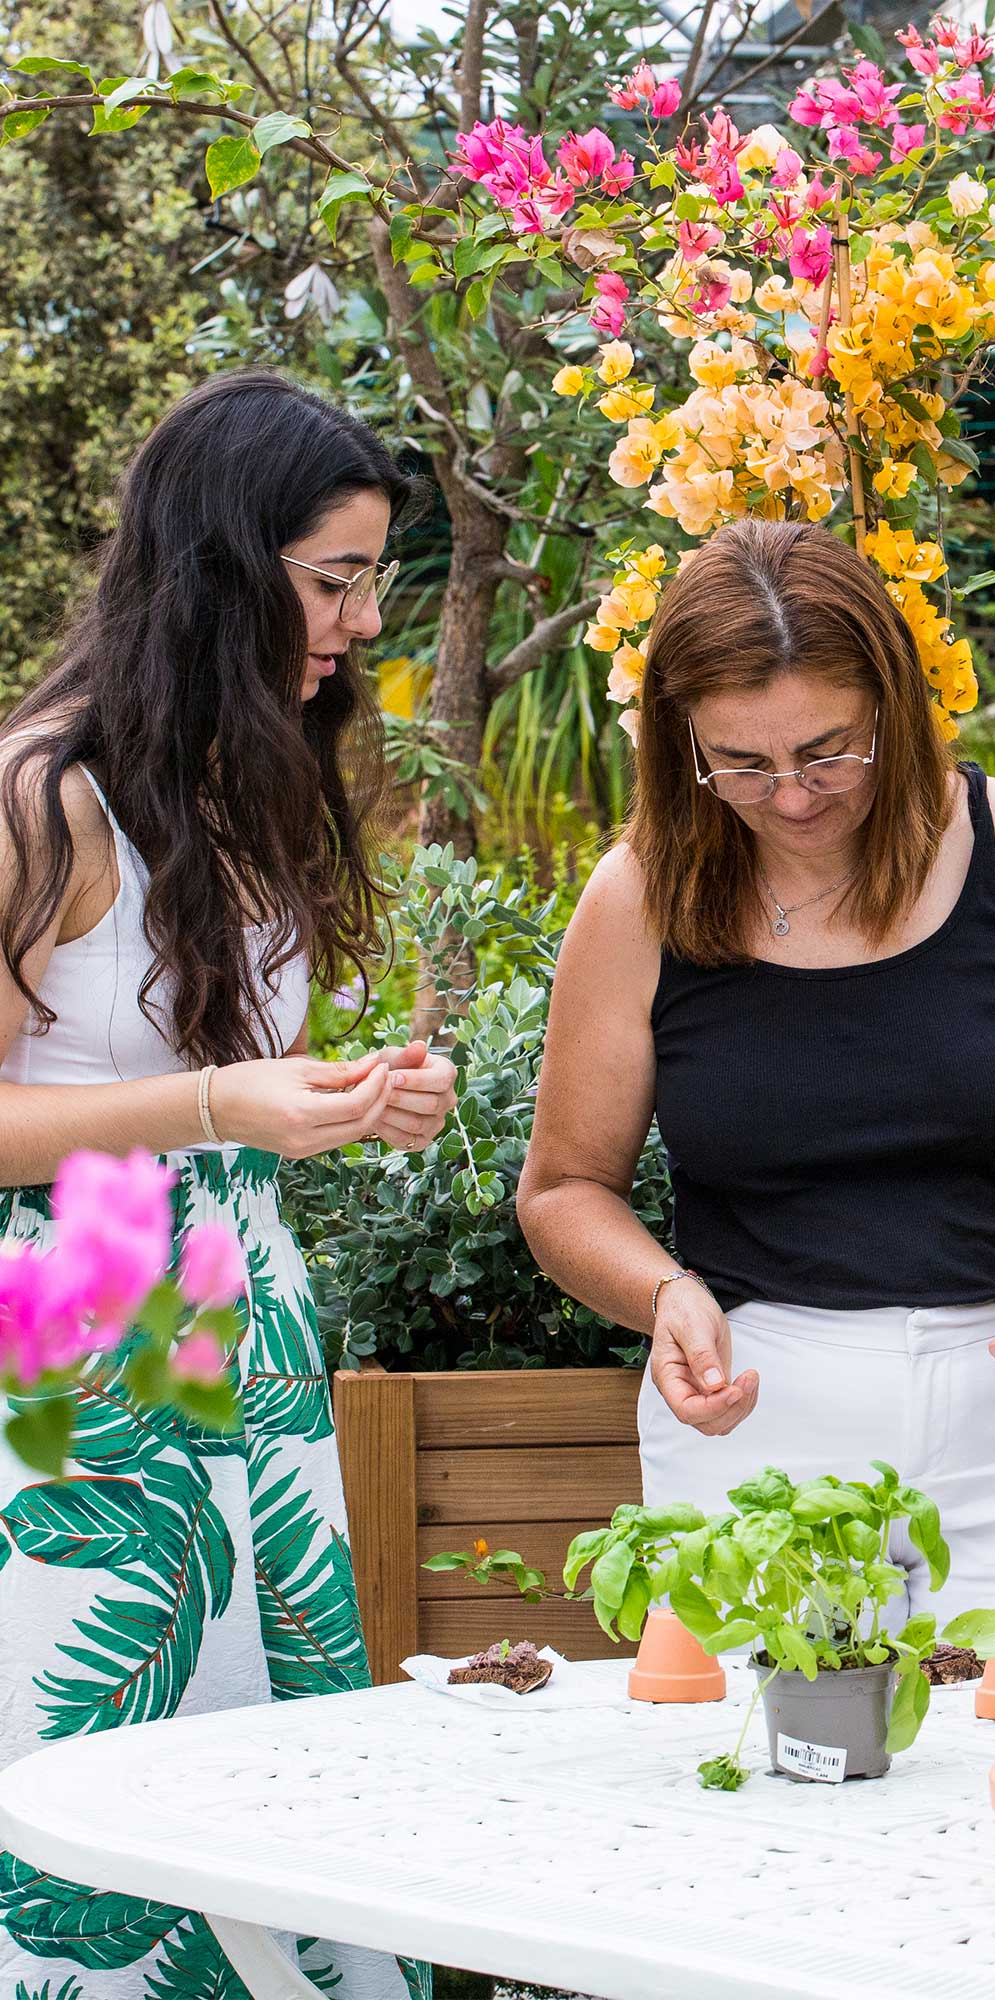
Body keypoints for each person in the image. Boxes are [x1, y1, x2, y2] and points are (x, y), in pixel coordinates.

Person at [0, 369, 454, 2000]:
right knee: (107, 1731)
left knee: (261, 1727)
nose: (359, 616)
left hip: (241, 1318)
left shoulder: (244, 778)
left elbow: (227, 1096)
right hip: (73, 1321)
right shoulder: (45, 796)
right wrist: (215, 1101)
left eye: (369, 578)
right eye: (333, 578)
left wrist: (353, 1103)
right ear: (220, 566)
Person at [518, 519, 995, 1617]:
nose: (793, 795)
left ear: (894, 705)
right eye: (741, 762)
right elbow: (563, 1187)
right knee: (763, 1768)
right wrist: (663, 1291)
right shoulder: (637, 898)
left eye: (829, 750)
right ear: (681, 745)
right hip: (755, 1420)